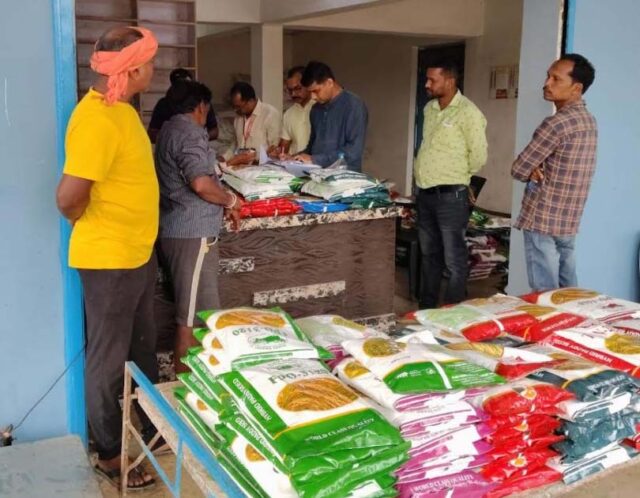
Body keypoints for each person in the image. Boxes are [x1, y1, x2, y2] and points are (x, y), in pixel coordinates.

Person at [55, 26, 160, 490]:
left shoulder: (122, 111)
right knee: (108, 360)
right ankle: (110, 455)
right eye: (149, 61)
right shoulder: (96, 119)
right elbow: (68, 198)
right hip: (110, 260)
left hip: (136, 254)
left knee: (141, 349)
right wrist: (92, 224)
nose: (153, 68)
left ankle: (151, 431)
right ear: (132, 69)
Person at [154, 80, 242, 375]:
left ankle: (196, 384)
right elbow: (201, 184)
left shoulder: (168, 129)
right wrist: (230, 200)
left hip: (177, 229)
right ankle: (182, 389)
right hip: (193, 235)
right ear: (201, 106)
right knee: (190, 320)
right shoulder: (190, 132)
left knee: (198, 314)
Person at [512, 54, 597, 291]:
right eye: (548, 76)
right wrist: (535, 168)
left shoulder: (556, 123)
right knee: (569, 292)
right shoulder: (589, 121)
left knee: (545, 294)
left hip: (543, 218)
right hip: (569, 219)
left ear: (576, 88)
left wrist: (532, 169)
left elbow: (519, 168)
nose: (547, 83)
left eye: (556, 79)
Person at [414, 60, 488, 309]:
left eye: (432, 80)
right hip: (425, 193)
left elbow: (479, 156)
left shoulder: (468, 112)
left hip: (451, 197)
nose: (427, 84)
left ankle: (453, 310)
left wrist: (459, 176)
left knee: (454, 259)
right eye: (427, 79)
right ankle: (427, 309)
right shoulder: (429, 108)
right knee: (429, 255)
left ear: (450, 81)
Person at [295, 61, 368, 171]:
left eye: (316, 91)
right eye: (310, 92)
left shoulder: (354, 106)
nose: (313, 97)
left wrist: (316, 159)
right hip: (316, 174)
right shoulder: (315, 109)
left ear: (329, 82)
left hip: (344, 176)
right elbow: (312, 146)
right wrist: (295, 158)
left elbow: (354, 151)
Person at [147, 68, 219, 143]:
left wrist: (199, 137)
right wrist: (172, 137)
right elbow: (152, 133)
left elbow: (214, 131)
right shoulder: (164, 104)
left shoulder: (202, 102)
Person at [226, 81, 280, 166]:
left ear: (250, 101)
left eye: (238, 107)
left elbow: (274, 147)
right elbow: (235, 144)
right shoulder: (238, 118)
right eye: (234, 106)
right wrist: (224, 158)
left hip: (262, 168)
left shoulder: (270, 113)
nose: (235, 110)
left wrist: (257, 161)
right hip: (240, 167)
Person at [269, 66, 315, 157]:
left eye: (298, 88)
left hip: (317, 163)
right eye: (290, 90)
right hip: (294, 163)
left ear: (308, 85)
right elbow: (284, 145)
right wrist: (277, 151)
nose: (293, 94)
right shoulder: (289, 113)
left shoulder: (321, 108)